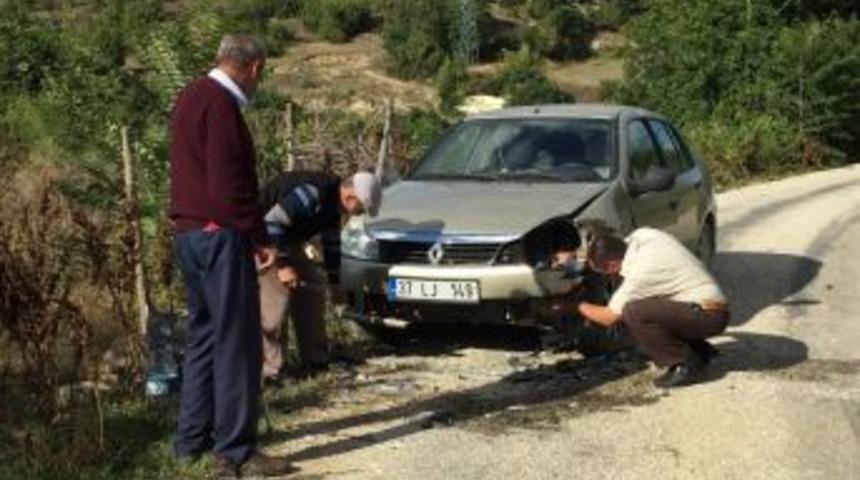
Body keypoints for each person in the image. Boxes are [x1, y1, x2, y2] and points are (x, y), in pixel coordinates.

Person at [168, 34, 294, 477]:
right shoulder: (221, 106)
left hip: (188, 235)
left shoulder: (189, 96)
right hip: (220, 236)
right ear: (255, 67)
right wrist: (259, 236)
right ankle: (236, 449)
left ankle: (190, 442)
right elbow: (228, 187)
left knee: (203, 337)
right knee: (238, 344)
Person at [556, 227, 729, 388]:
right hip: (702, 306)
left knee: (634, 312)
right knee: (650, 305)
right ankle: (699, 351)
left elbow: (609, 317)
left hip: (709, 317)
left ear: (612, 266)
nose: (610, 277)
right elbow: (604, 244)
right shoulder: (644, 236)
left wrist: (575, 305)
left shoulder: (639, 274)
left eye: (606, 273)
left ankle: (684, 364)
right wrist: (574, 256)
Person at [258, 170, 382, 383]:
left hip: (286, 241)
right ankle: (272, 371)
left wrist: (335, 283)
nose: (359, 214)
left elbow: (331, 244)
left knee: (313, 288)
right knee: (277, 299)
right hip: (262, 238)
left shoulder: (333, 205)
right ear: (350, 197)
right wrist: (283, 266)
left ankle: (315, 359)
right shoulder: (313, 193)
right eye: (360, 209)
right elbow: (271, 223)